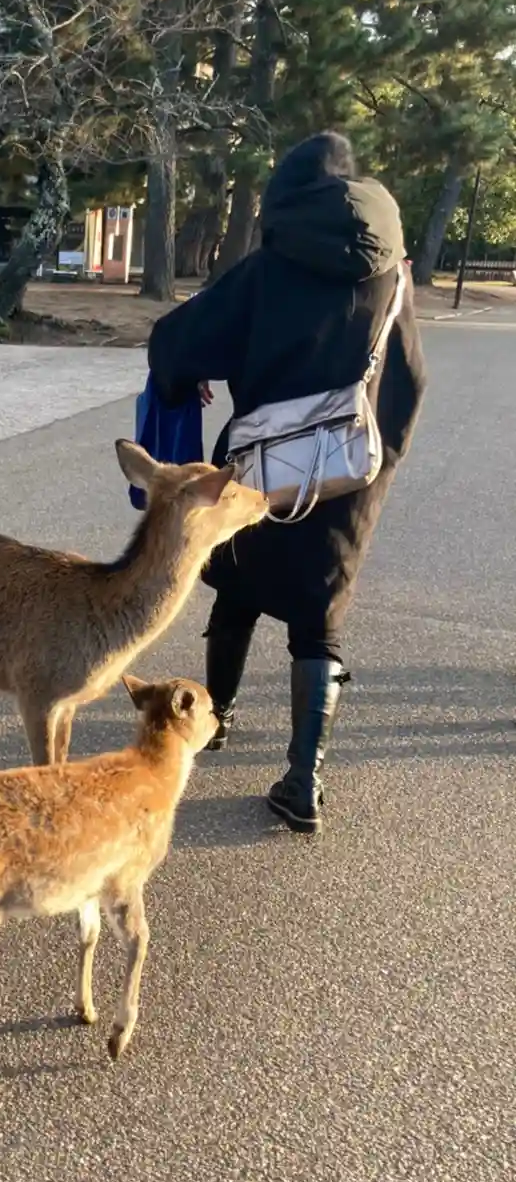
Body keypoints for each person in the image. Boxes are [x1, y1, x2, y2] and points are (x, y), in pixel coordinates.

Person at [146, 132, 427, 834]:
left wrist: (185, 383)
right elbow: (412, 378)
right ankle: (304, 781)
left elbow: (179, 340)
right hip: (349, 474)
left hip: (261, 469)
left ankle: (216, 717)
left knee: (239, 583)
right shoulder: (392, 275)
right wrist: (378, 466)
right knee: (318, 616)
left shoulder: (270, 267)